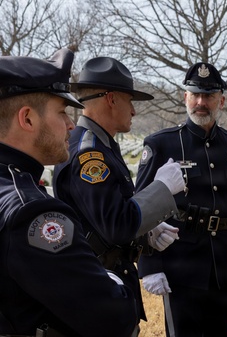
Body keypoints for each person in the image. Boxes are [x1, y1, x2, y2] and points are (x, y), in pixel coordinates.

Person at [0, 48, 139, 336]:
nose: (71, 124)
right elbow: (114, 316)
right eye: (62, 111)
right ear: (27, 120)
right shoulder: (31, 213)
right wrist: (111, 278)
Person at [135, 62, 227, 336]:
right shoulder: (162, 144)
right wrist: (149, 266)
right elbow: (142, 206)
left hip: (223, 268)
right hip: (179, 270)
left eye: (209, 96)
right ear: (184, 97)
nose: (201, 102)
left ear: (220, 100)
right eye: (195, 95)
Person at [52, 57, 185, 332]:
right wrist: (161, 188)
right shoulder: (90, 154)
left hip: (106, 280)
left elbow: (101, 217)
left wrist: (146, 231)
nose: (134, 111)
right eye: (130, 101)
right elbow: (114, 225)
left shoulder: (102, 145)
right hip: (96, 285)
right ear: (111, 99)